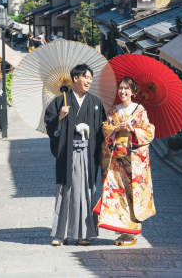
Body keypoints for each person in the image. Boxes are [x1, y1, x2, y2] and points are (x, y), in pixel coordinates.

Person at [44, 64, 107, 246]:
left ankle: (84, 233)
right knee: (66, 190)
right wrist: (60, 118)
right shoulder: (60, 102)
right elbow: (50, 126)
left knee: (86, 192)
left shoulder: (95, 103)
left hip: (88, 154)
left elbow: (103, 129)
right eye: (86, 77)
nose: (89, 80)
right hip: (68, 153)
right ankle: (61, 233)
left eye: (91, 78)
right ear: (76, 78)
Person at [97, 77, 156, 246]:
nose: (122, 91)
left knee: (132, 196)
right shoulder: (113, 110)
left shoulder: (140, 110)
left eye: (126, 88)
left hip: (133, 160)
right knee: (117, 195)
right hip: (115, 160)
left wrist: (133, 129)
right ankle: (123, 232)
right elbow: (104, 128)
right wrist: (116, 127)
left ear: (133, 92)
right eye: (120, 88)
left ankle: (132, 234)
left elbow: (149, 132)